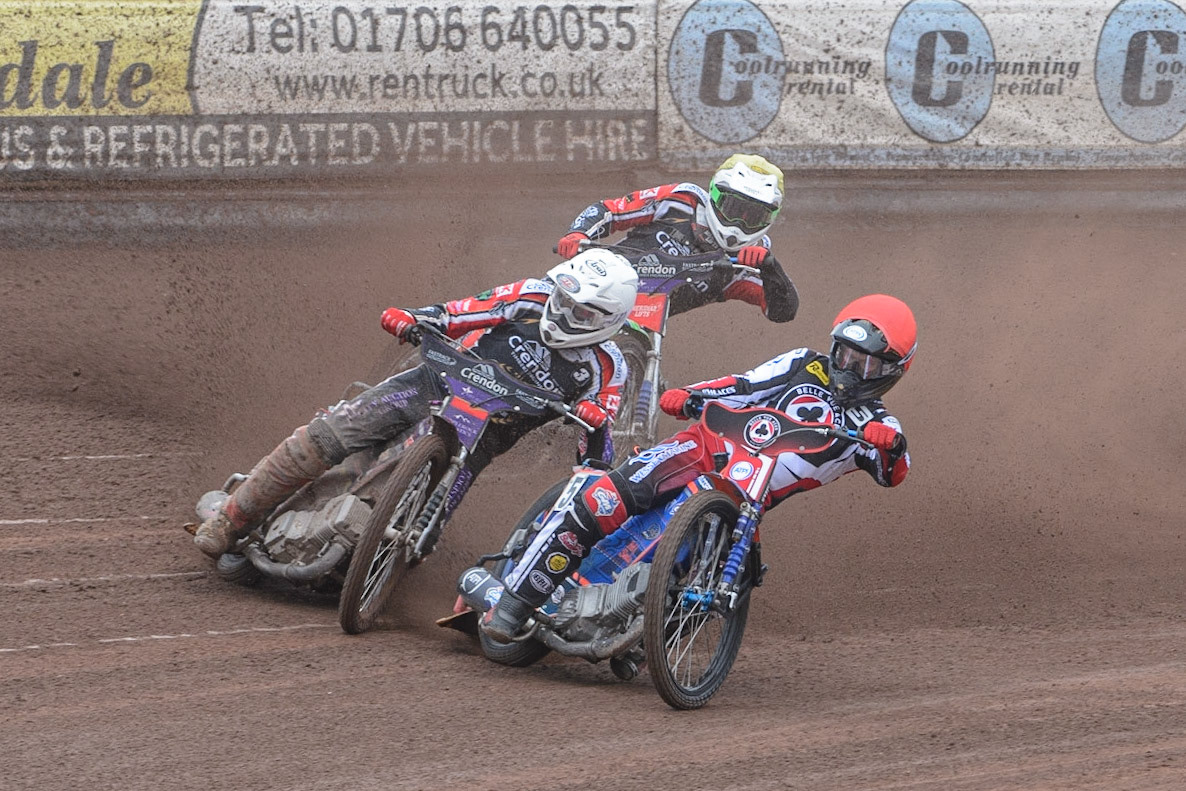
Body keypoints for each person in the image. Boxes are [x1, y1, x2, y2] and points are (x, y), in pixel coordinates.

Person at [482, 293, 917, 641]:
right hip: (701, 448)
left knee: (700, 568)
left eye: (864, 363)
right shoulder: (804, 362)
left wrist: (891, 446)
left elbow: (894, 472)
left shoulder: (878, 425)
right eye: (844, 353)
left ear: (891, 371)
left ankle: (649, 632)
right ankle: (513, 603)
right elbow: (744, 384)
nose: (848, 368)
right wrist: (691, 395)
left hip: (741, 501)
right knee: (605, 499)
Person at [192, 250, 640, 559]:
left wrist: (595, 418)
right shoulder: (530, 296)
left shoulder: (607, 367)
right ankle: (230, 520)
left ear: (609, 320)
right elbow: (458, 312)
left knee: (418, 533)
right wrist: (413, 318)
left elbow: (599, 444)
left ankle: (373, 561)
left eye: (580, 312)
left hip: (482, 437)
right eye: (562, 299)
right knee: (325, 436)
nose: (562, 314)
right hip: (432, 383)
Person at [554, 153, 799, 323]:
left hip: (642, 323)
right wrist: (578, 233)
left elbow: (783, 312)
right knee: (541, 298)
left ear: (770, 218)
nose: (738, 222)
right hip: (592, 282)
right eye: (732, 208)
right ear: (714, 195)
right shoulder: (682, 200)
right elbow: (612, 210)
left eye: (752, 216)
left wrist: (770, 268)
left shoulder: (751, 261)